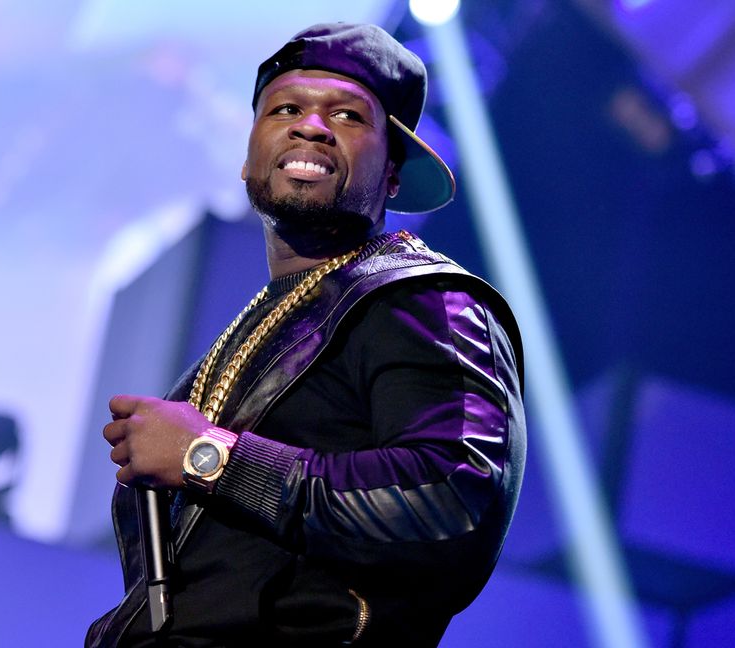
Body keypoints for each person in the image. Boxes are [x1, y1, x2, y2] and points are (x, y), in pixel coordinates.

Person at [86, 23, 525, 648]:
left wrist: (208, 457)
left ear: (394, 172)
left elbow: (451, 495)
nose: (310, 126)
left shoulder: (423, 302)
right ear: (248, 154)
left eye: (347, 116)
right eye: (285, 108)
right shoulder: (268, 321)